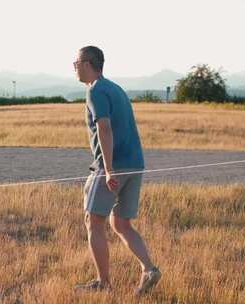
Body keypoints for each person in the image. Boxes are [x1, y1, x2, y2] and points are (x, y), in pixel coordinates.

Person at [73, 45, 161, 295]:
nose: (74, 67)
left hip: (112, 166)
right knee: (121, 223)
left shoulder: (96, 90)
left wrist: (109, 169)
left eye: (76, 62)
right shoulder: (116, 88)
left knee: (93, 221)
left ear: (88, 63)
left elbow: (105, 128)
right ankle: (149, 269)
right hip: (135, 164)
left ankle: (103, 283)